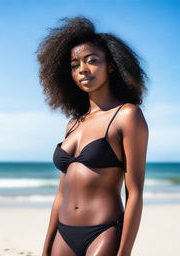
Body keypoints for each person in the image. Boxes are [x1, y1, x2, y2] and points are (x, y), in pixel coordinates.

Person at [36, 16, 149, 256]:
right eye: (75, 64)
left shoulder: (127, 116)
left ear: (110, 65)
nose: (83, 69)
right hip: (63, 235)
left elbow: (135, 192)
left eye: (92, 61)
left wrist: (124, 252)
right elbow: (61, 194)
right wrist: (46, 246)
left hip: (103, 232)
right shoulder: (73, 124)